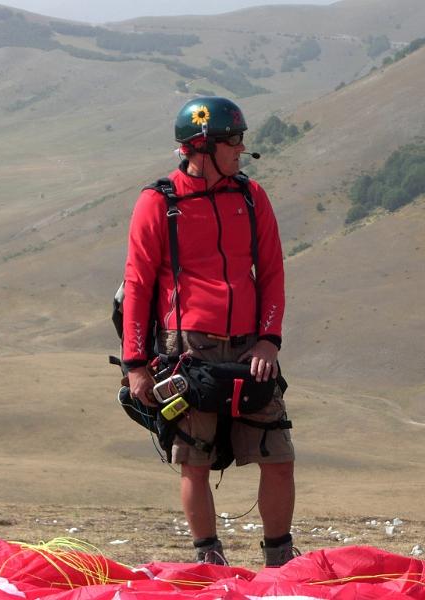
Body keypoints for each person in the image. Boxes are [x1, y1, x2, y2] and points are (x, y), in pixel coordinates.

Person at [121, 96, 296, 567]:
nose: (241, 150)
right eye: (233, 141)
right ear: (202, 146)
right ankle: (208, 560)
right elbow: (136, 285)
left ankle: (280, 560)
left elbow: (273, 271)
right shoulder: (158, 203)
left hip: (249, 349)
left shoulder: (251, 196)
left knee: (278, 453)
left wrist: (268, 338)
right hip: (186, 351)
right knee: (193, 460)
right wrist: (136, 366)